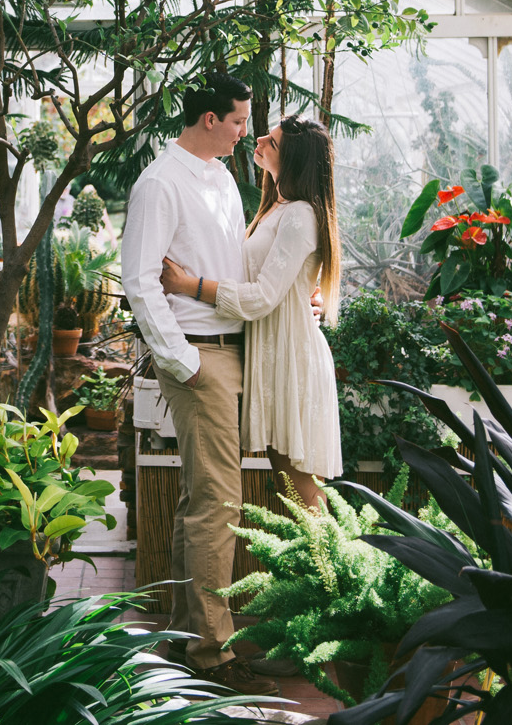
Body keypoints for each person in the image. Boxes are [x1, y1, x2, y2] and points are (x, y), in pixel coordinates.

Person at [120, 71, 277, 695]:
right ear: (209, 118)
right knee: (219, 503)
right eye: (238, 121)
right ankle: (212, 651)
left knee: (202, 498)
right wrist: (182, 361)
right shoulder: (160, 182)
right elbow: (139, 279)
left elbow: (229, 263)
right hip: (199, 355)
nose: (245, 133)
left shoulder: (221, 178)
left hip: (231, 348)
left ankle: (188, 631)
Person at [160, 116, 343, 509]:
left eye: (272, 142)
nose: (258, 138)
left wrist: (186, 284)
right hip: (276, 358)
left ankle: (340, 570)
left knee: (302, 497)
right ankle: (326, 569)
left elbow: (261, 297)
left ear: (292, 161)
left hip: (292, 363)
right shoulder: (278, 208)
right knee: (291, 493)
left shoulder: (299, 214)